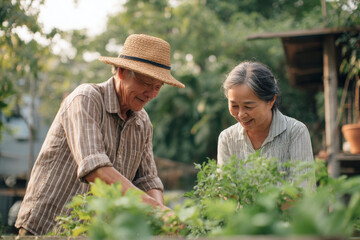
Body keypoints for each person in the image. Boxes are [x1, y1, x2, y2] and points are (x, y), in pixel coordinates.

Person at [15, 34, 185, 236]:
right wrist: (155, 209)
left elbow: (148, 179)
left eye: (158, 87)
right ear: (122, 72)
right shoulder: (86, 98)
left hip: (96, 233)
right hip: (47, 228)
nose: (152, 94)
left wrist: (162, 221)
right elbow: (94, 168)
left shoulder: (142, 122)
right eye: (147, 83)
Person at [217, 61, 315, 188]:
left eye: (248, 106)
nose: (241, 114)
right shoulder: (227, 138)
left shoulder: (295, 132)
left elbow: (303, 190)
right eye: (234, 106)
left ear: (271, 101)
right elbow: (225, 190)